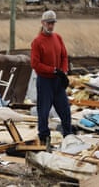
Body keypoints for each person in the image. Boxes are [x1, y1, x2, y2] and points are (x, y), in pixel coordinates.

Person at [30, 10, 72, 148]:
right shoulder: (37, 42)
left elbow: (64, 56)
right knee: (44, 111)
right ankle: (44, 138)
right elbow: (35, 64)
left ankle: (68, 136)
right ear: (42, 23)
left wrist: (63, 70)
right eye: (48, 23)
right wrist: (52, 70)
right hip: (45, 81)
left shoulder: (58, 38)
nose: (51, 26)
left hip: (57, 80)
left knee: (65, 110)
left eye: (53, 23)